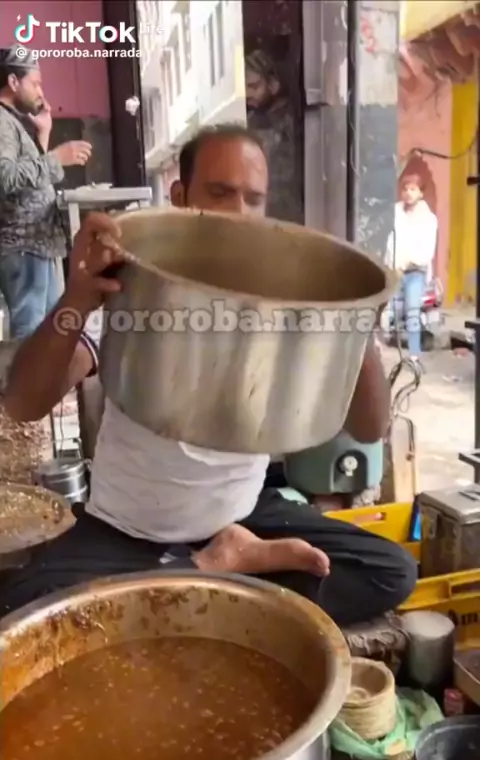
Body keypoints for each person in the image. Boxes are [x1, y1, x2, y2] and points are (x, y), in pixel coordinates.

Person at [3, 124, 417, 627]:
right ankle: (214, 578)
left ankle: (185, 593)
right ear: (181, 197)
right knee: (19, 613)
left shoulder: (287, 300)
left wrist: (357, 321)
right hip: (126, 533)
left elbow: (370, 428)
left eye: (253, 199)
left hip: (246, 518)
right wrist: (77, 298)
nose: (238, 212)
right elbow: (24, 403)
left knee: (388, 572)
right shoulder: (134, 286)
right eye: (220, 193)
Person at [0, 46, 92, 339]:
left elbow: (29, 178)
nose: (41, 92)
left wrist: (43, 134)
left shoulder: (13, 122)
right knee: (30, 333)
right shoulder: (1, 121)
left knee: (47, 334)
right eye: (36, 83)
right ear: (14, 82)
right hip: (23, 245)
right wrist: (56, 157)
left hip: (37, 245)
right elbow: (5, 177)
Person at [245, 49, 301, 224]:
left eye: (254, 86)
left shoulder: (291, 117)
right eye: (244, 87)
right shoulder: (250, 119)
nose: (248, 94)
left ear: (272, 84)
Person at [385, 173, 438, 359]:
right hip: (395, 270)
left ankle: (414, 355)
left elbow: (427, 250)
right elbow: (390, 242)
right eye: (405, 189)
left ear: (420, 193)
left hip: (415, 271)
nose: (408, 193)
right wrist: (392, 265)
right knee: (385, 311)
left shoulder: (428, 219)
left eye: (413, 189)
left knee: (412, 312)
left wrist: (408, 263)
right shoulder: (395, 214)